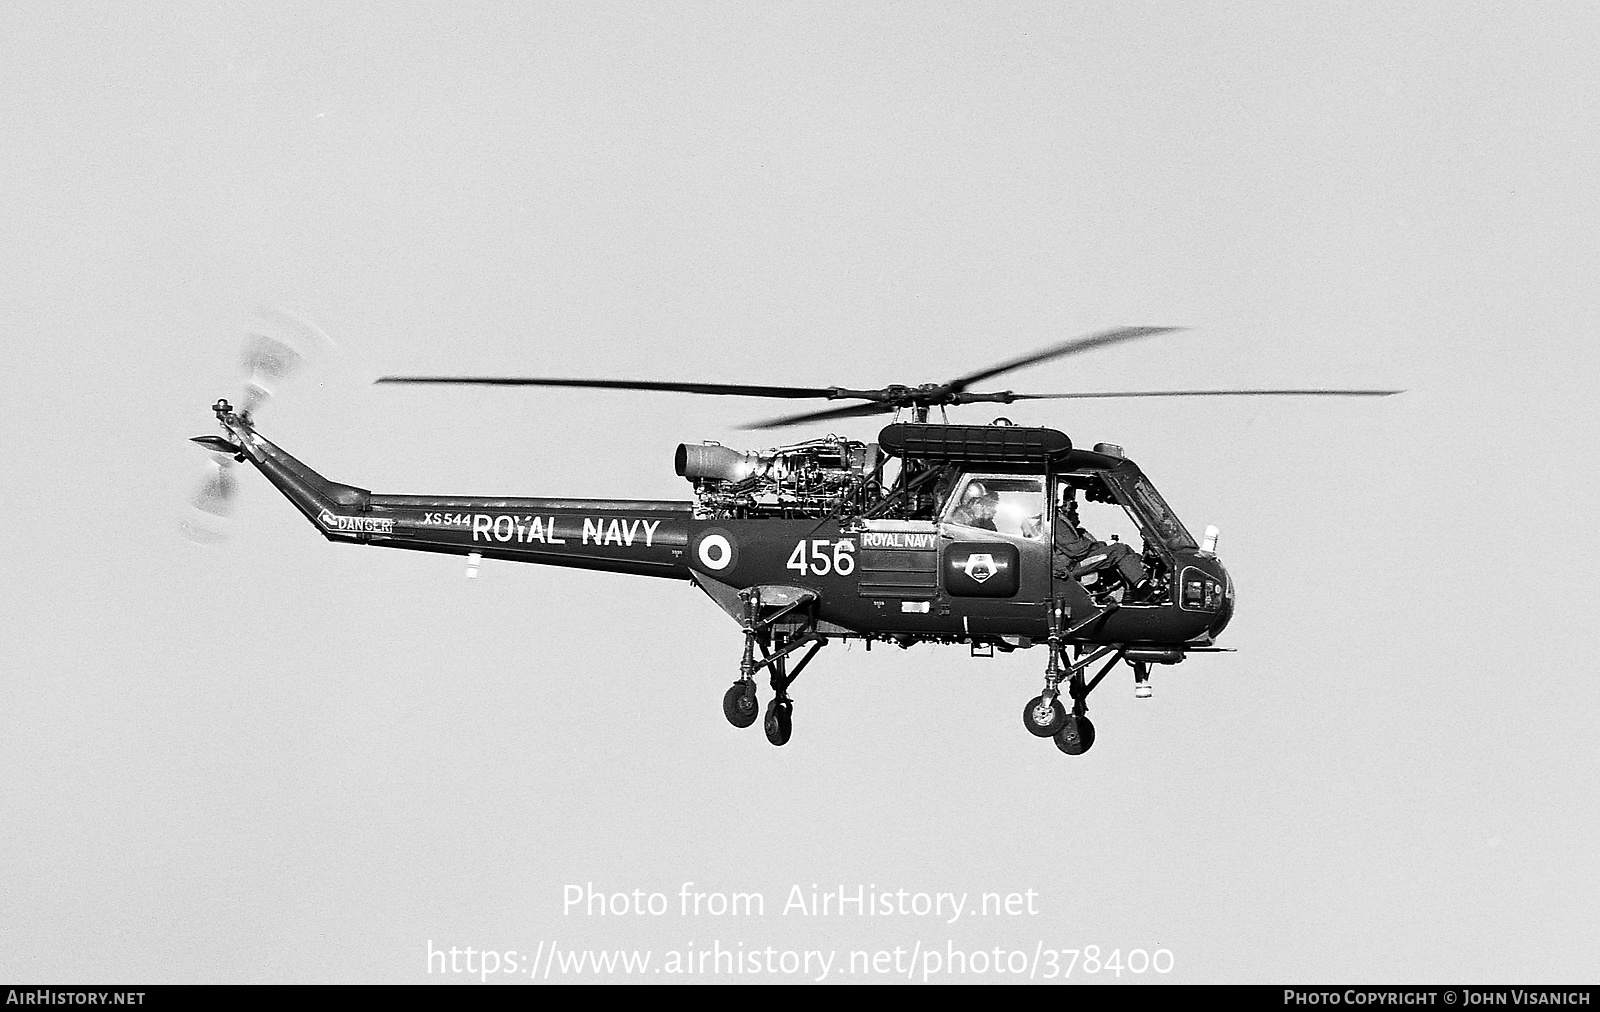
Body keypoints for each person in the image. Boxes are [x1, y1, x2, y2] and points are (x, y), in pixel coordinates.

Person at [1053, 491, 1150, 599]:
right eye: (1072, 505)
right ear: (1062, 502)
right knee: (1118, 550)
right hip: (1072, 567)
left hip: (1074, 563)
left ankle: (1144, 574)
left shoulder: (1063, 522)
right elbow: (1078, 550)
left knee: (1123, 548)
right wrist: (1104, 544)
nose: (1074, 510)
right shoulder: (1057, 522)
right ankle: (1145, 589)